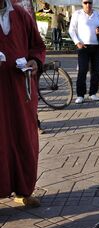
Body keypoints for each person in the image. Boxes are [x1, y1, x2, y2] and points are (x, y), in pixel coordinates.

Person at [0, 0, 46, 207]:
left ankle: (23, 189)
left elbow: (36, 46)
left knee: (24, 137)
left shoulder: (20, 14)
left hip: (20, 89)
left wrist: (35, 61)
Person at [69, 0, 99, 104]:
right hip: (83, 46)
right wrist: (77, 42)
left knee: (95, 71)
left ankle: (93, 93)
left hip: (97, 46)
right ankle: (80, 95)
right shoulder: (77, 14)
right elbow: (71, 30)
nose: (88, 5)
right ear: (82, 3)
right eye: (85, 2)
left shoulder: (98, 15)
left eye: (90, 2)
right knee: (82, 71)